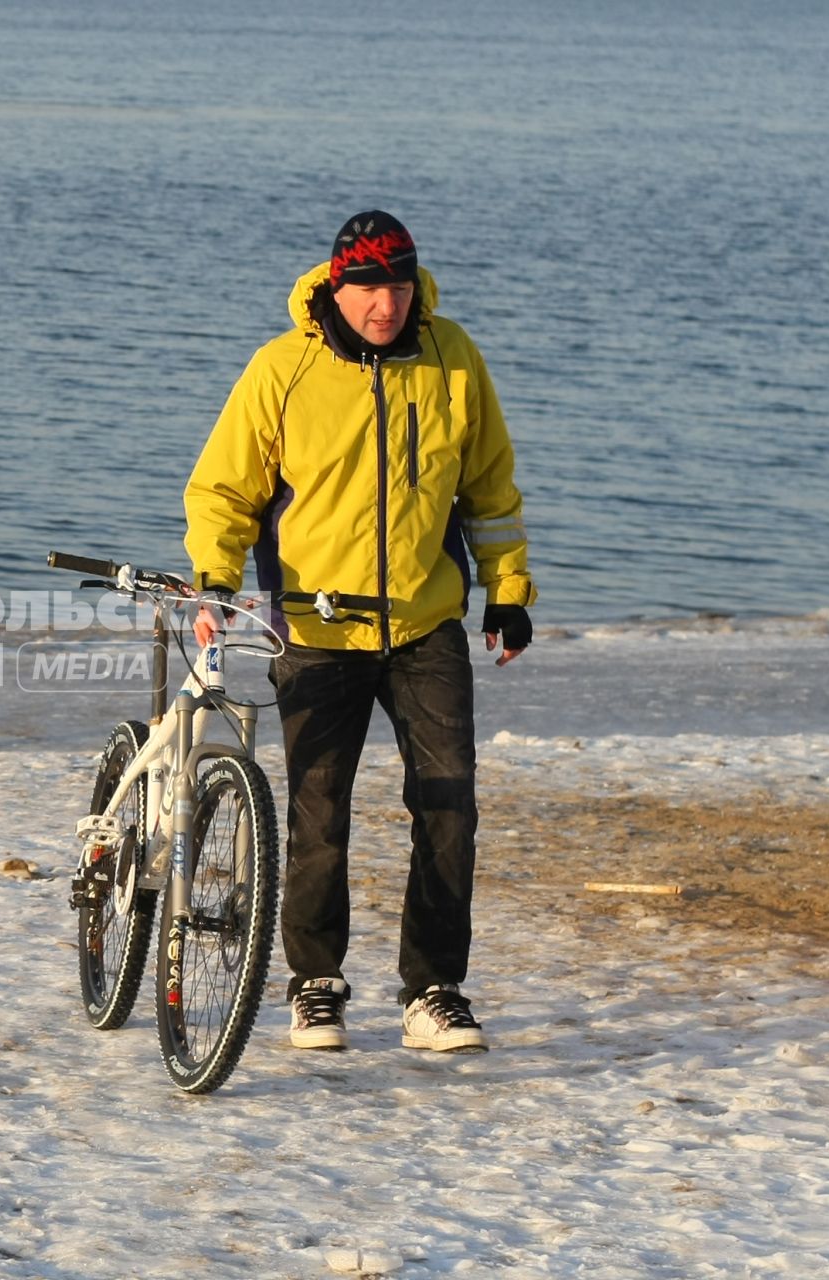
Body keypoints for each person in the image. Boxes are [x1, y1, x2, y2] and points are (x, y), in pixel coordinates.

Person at [184, 211, 536, 1055]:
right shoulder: (284, 368)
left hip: (425, 625)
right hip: (315, 629)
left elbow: (489, 488)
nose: (386, 304)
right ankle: (315, 986)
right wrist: (215, 582)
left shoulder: (452, 358)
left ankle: (434, 991)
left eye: (399, 285)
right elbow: (225, 490)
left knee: (449, 806)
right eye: (370, 287)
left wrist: (509, 590)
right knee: (320, 814)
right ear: (336, 286)